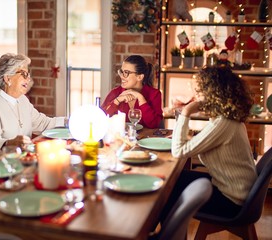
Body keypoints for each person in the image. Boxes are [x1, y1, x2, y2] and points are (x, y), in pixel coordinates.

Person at [166, 66, 257, 219]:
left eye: (200, 92)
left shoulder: (224, 123)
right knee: (173, 180)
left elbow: (179, 151)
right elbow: (208, 140)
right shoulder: (228, 118)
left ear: (213, 94)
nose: (197, 96)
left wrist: (186, 113)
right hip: (233, 190)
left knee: (168, 189)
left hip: (231, 201)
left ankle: (164, 235)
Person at [0, 53, 66, 156]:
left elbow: (42, 123)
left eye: (28, 75)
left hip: (23, 159)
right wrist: (9, 143)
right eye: (24, 74)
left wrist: (68, 122)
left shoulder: (22, 100)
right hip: (2, 165)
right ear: (7, 78)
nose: (28, 79)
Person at [100, 55, 163, 129]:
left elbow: (154, 125)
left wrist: (141, 98)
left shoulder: (154, 94)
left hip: (146, 139)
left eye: (126, 72)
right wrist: (117, 101)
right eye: (121, 72)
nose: (122, 76)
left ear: (139, 77)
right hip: (121, 139)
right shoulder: (115, 93)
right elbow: (100, 119)